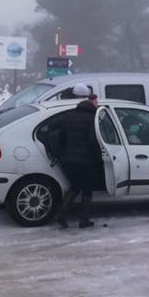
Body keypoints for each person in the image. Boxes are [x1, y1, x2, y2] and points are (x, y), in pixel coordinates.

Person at [53, 83, 102, 229]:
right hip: (86, 160)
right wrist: (98, 157)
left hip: (68, 159)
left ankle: (61, 214)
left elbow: (54, 130)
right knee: (86, 189)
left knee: (75, 186)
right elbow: (94, 140)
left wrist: (60, 151)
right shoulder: (92, 119)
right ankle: (84, 220)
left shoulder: (68, 115)